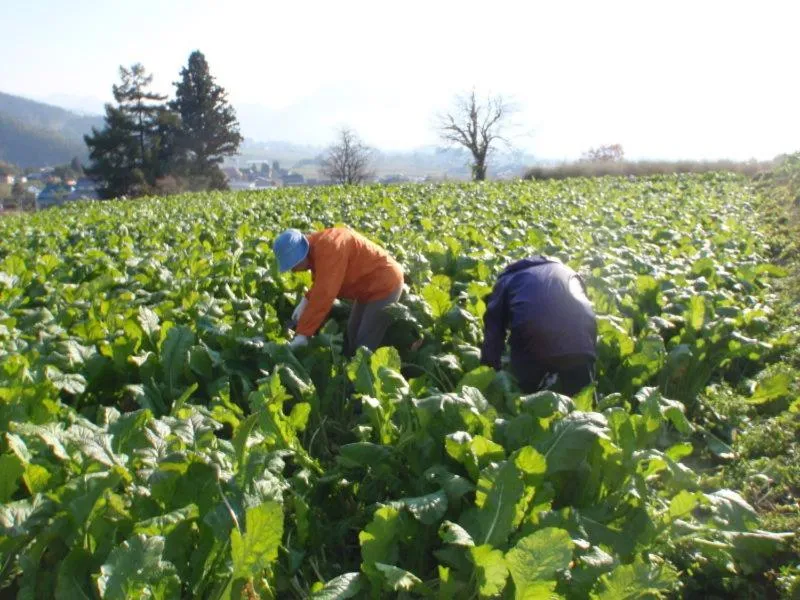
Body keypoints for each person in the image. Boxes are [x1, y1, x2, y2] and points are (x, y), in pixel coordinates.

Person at [273, 227, 404, 353]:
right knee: (352, 333)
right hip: (366, 289)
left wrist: (303, 333)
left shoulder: (329, 247)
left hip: (385, 285)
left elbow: (325, 293)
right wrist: (306, 300)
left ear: (301, 256)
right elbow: (322, 281)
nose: (293, 270)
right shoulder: (317, 248)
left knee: (363, 344)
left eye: (293, 265)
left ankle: (358, 372)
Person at [480, 256, 597, 395]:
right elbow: (585, 312)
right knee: (581, 402)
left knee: (525, 400)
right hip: (580, 336)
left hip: (534, 334)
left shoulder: (507, 279)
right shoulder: (568, 271)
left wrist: (488, 374)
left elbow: (493, 333)